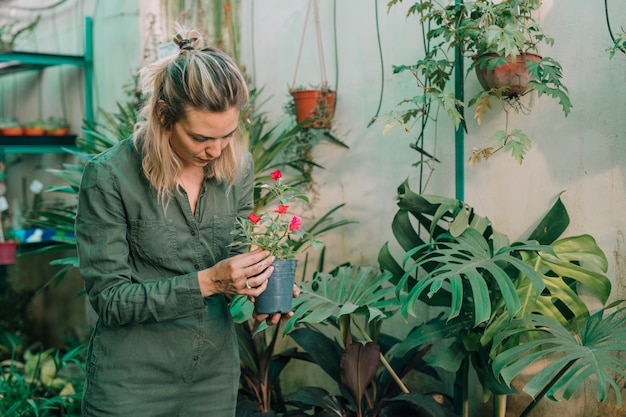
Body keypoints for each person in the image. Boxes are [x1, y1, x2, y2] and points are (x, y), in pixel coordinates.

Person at [75, 25, 297, 416]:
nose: (215, 149)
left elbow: (235, 255)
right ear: (164, 116)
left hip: (212, 380)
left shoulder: (237, 168)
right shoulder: (110, 176)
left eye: (227, 135)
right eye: (200, 138)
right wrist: (209, 281)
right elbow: (109, 300)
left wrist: (260, 284)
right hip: (130, 385)